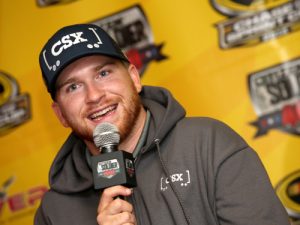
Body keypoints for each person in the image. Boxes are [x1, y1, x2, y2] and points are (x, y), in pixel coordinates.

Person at [34, 23, 290, 225]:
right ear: (60, 114)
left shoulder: (208, 145)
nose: (93, 95)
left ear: (134, 78)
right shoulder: (54, 213)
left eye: (103, 73)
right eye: (73, 87)